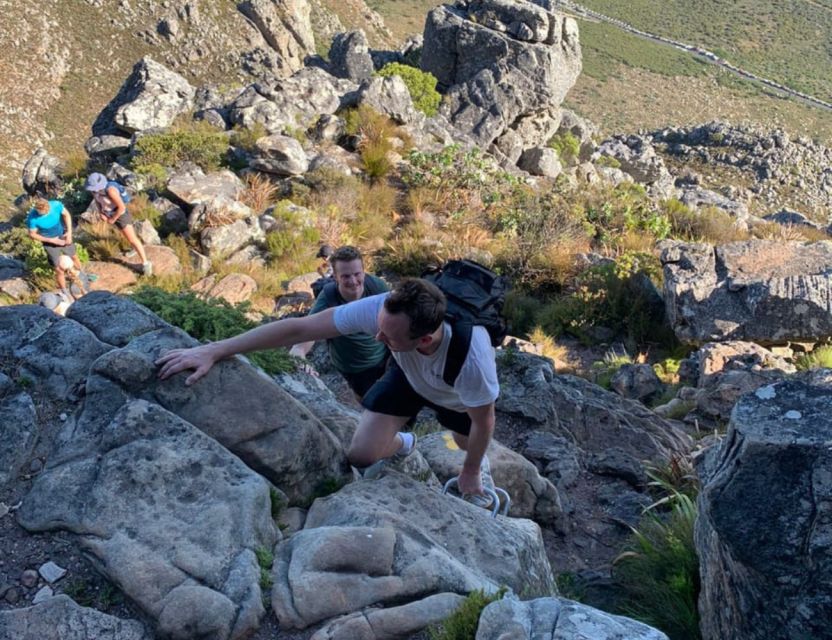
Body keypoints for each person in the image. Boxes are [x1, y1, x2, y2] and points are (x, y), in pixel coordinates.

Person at [157, 278, 500, 505]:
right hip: (409, 377)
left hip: (453, 392)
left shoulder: (472, 359)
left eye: (388, 337)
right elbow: (300, 327)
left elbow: (484, 421)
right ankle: (406, 444)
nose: (377, 338)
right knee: (362, 455)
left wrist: (468, 470)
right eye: (379, 328)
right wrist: (216, 350)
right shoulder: (384, 313)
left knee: (466, 440)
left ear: (425, 338)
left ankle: (477, 468)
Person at [289, 246, 389, 400]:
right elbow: (309, 329)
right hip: (355, 367)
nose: (353, 281)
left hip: (384, 355)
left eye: (357, 274)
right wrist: (299, 351)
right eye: (346, 276)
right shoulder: (329, 296)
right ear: (335, 276)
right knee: (370, 401)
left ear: (364, 271)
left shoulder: (377, 287)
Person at [84, 173, 152, 276]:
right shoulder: (94, 191)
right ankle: (135, 249)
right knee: (125, 235)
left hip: (121, 216)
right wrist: (101, 212)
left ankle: (146, 264)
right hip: (109, 214)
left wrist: (113, 219)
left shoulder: (111, 190)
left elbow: (122, 208)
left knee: (132, 239)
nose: (94, 190)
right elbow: (97, 201)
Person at [26, 196, 84, 297]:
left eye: (46, 212)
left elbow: (66, 215)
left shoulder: (56, 205)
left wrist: (69, 233)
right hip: (49, 242)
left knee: (74, 256)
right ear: (36, 209)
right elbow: (32, 234)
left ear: (48, 206)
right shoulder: (33, 218)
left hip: (62, 235)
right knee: (58, 268)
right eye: (41, 213)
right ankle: (64, 291)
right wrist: (51, 240)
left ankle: (83, 275)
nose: (44, 214)